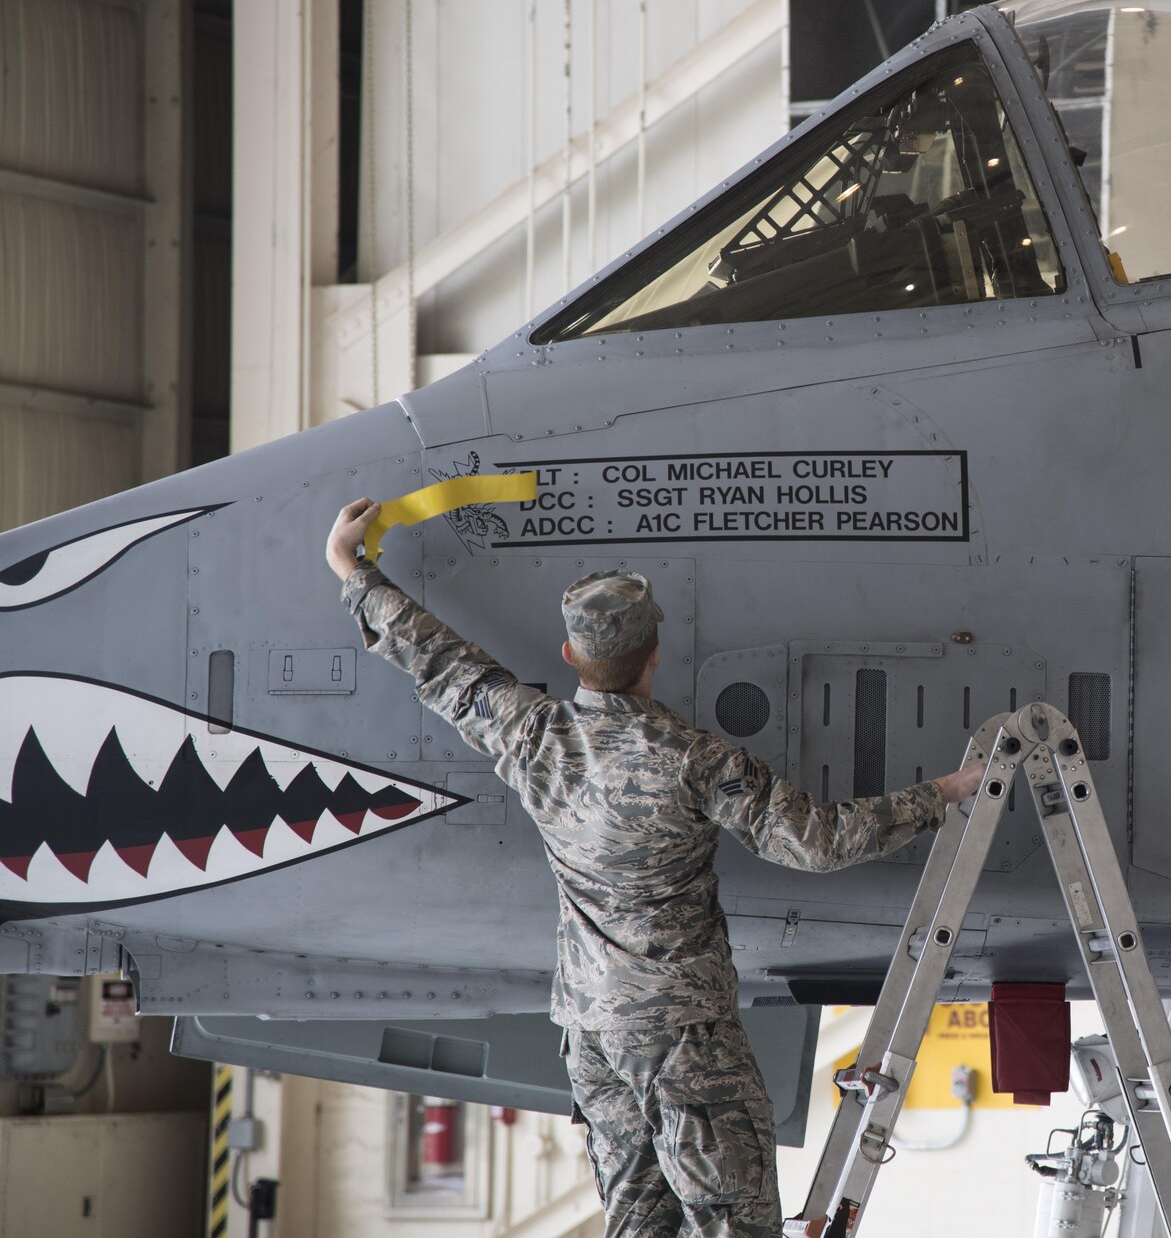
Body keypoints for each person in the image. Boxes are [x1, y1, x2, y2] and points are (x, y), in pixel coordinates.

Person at [324, 498, 982, 1236]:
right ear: (654, 652)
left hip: (592, 1035)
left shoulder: (531, 735)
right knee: (733, 1223)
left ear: (571, 656)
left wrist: (351, 567)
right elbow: (817, 840)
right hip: (682, 1041)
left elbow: (440, 663)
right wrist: (943, 795)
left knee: (638, 1225)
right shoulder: (695, 761)